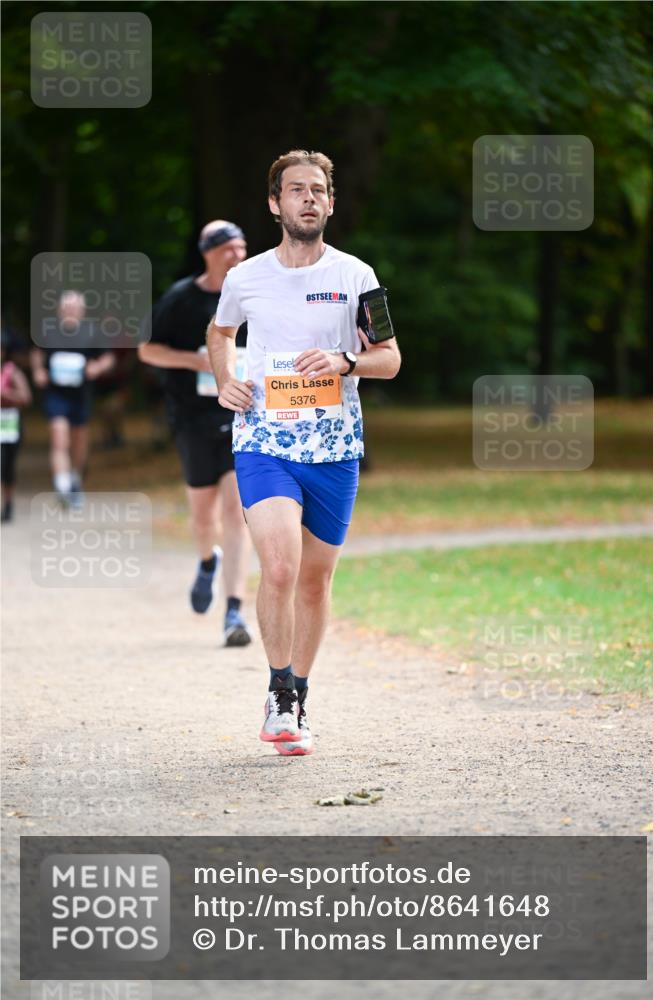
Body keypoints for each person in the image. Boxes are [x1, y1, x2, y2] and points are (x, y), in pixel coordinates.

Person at [207, 150, 401, 756]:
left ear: (331, 202)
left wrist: (347, 360)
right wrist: (224, 380)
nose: (309, 198)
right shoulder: (246, 278)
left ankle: (301, 693)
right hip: (263, 439)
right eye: (296, 190)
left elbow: (390, 358)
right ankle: (278, 694)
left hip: (335, 446)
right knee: (282, 566)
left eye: (318, 190)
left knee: (315, 582)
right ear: (275, 204)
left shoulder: (358, 277)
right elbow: (221, 333)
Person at [138, 221, 252, 647]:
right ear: (208, 252)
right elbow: (147, 349)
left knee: (236, 513)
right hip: (192, 418)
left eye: (242, 248)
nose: (237, 256)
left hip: (241, 418)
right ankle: (208, 562)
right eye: (228, 250)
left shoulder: (253, 293)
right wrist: (195, 361)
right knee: (204, 518)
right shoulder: (182, 298)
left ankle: (235, 611)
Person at [30, 291, 116, 509]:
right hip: (56, 393)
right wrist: (38, 370)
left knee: (78, 439)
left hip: (81, 394)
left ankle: (76, 479)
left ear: (82, 310)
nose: (70, 311)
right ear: (60, 309)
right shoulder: (48, 330)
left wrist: (97, 367)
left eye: (74, 307)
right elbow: (36, 352)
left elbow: (108, 357)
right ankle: (62, 485)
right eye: (66, 307)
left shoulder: (92, 332)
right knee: (59, 437)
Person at [1, 330, 32, 523]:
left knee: (7, 466)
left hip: (9, 425)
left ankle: (9, 503)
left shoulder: (12, 372)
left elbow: (26, 398)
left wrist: (6, 395)